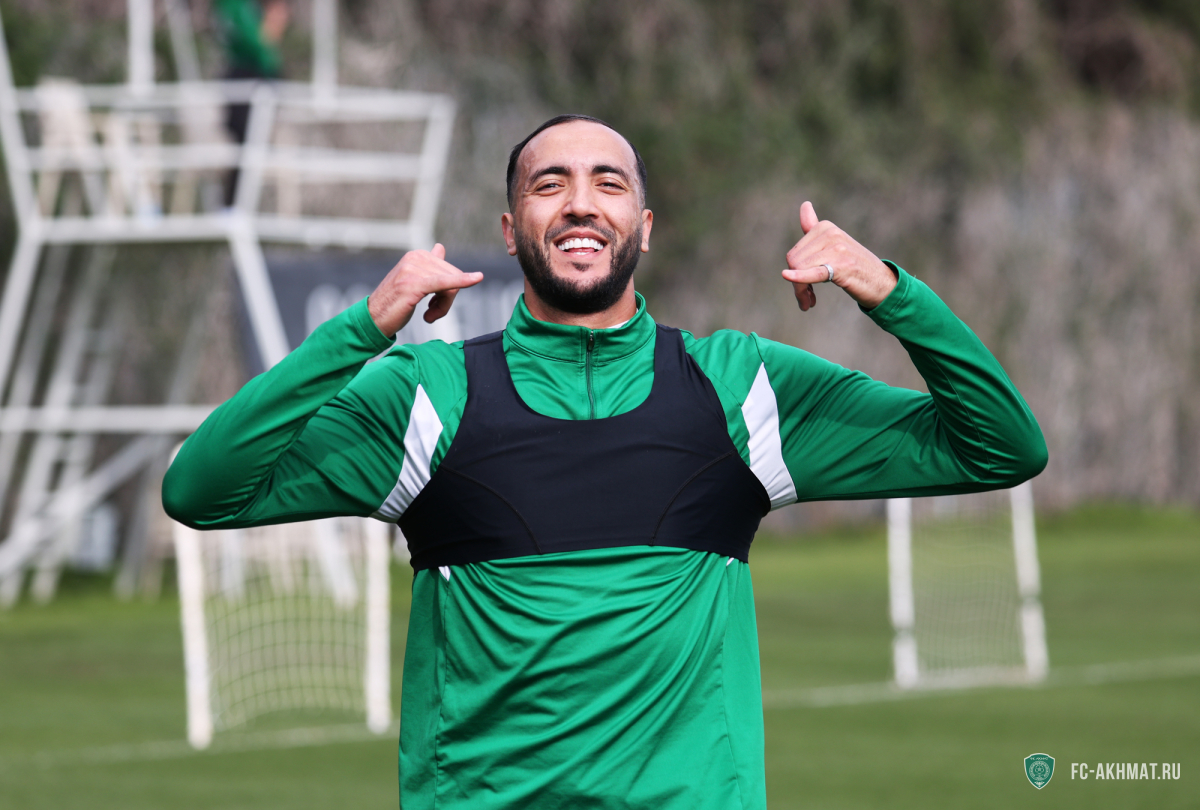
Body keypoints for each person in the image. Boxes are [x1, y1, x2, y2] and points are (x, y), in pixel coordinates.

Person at [163, 114, 1047, 809]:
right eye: (550, 185)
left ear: (644, 227)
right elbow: (201, 489)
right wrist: (363, 328)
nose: (580, 204)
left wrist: (890, 291)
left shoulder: (740, 389)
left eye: (608, 183)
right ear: (512, 230)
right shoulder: (427, 398)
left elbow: (1002, 445)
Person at [214, 0, 289, 206]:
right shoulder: (236, 10)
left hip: (253, 83)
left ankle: (236, 205)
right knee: (244, 146)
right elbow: (253, 42)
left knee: (250, 148)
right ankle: (233, 205)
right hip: (247, 83)